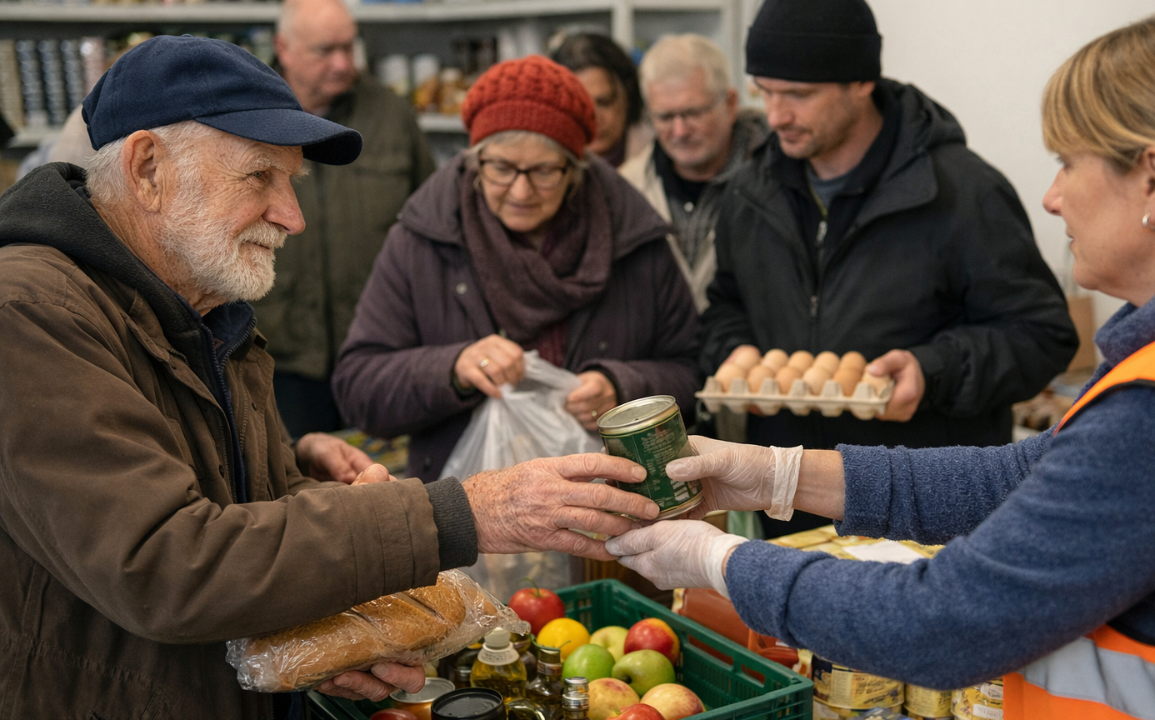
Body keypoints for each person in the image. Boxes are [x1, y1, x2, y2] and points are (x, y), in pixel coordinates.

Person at [607, 5, 1155, 718]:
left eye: (1066, 163)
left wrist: (717, 561)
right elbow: (1023, 477)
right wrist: (778, 474)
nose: (1052, 197)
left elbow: (939, 623)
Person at [0, 36, 663, 718]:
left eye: (293, 182)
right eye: (261, 176)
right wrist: (465, 512)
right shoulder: (27, 311)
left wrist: (298, 503)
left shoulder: (208, 306)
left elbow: (225, 518)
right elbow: (166, 563)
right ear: (147, 169)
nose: (293, 215)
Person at [701, 0, 1079, 537]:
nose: (776, 114)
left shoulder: (961, 193)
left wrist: (933, 372)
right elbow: (726, 306)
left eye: (798, 95)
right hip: (794, 512)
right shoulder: (751, 193)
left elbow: (1042, 335)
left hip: (923, 515)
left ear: (861, 82)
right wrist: (732, 351)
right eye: (765, 90)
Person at [332, 55, 700, 483]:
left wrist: (621, 385)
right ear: (474, 161)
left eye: (544, 171)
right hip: (467, 517)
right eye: (502, 168)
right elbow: (358, 389)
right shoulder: (424, 241)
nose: (521, 191)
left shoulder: (634, 239)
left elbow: (692, 370)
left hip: (613, 511)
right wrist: (452, 368)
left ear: (574, 168)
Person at [253, 0, 437, 437]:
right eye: (325, 50)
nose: (341, 63)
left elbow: (432, 221)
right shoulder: (246, 115)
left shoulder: (390, 115)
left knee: (387, 488)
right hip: (277, 358)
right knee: (295, 490)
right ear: (284, 47)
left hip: (381, 353)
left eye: (348, 47)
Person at [619, 34, 770, 312]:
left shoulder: (779, 178)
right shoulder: (628, 187)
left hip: (754, 352)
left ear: (731, 103)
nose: (679, 131)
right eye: (664, 117)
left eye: (693, 114)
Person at [550, 32, 652, 167]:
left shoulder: (660, 155)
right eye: (581, 106)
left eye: (604, 102)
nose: (595, 120)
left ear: (628, 93)